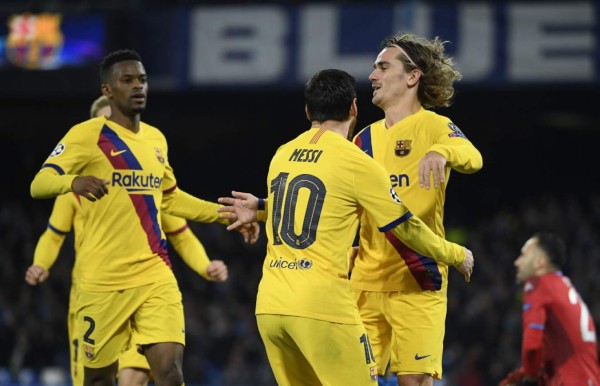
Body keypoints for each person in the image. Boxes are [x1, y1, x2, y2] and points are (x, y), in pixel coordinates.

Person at [216, 69, 474, 385]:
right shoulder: (356, 161)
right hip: (322, 308)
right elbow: (405, 227)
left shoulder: (282, 155)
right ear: (353, 108)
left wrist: (260, 209)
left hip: (270, 307)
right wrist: (454, 253)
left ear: (308, 111)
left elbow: (313, 207)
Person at [29, 49, 258, 386]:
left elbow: (171, 200)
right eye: (127, 80)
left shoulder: (156, 139)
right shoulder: (86, 135)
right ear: (108, 90)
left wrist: (224, 214)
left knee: (169, 373)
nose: (138, 86)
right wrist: (73, 181)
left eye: (142, 80)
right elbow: (39, 184)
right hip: (101, 283)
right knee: (99, 379)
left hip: (154, 275)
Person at [349, 32, 483, 386]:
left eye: (382, 66)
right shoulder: (362, 139)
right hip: (365, 283)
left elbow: (474, 158)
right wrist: (262, 209)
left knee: (414, 383)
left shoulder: (434, 126)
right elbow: (335, 195)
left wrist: (443, 152)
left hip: (417, 277)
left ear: (411, 77)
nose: (372, 76)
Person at [499, 233, 600, 386]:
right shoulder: (563, 287)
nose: (517, 262)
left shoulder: (538, 284)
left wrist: (530, 374)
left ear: (540, 262)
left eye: (524, 255)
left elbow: (532, 345)